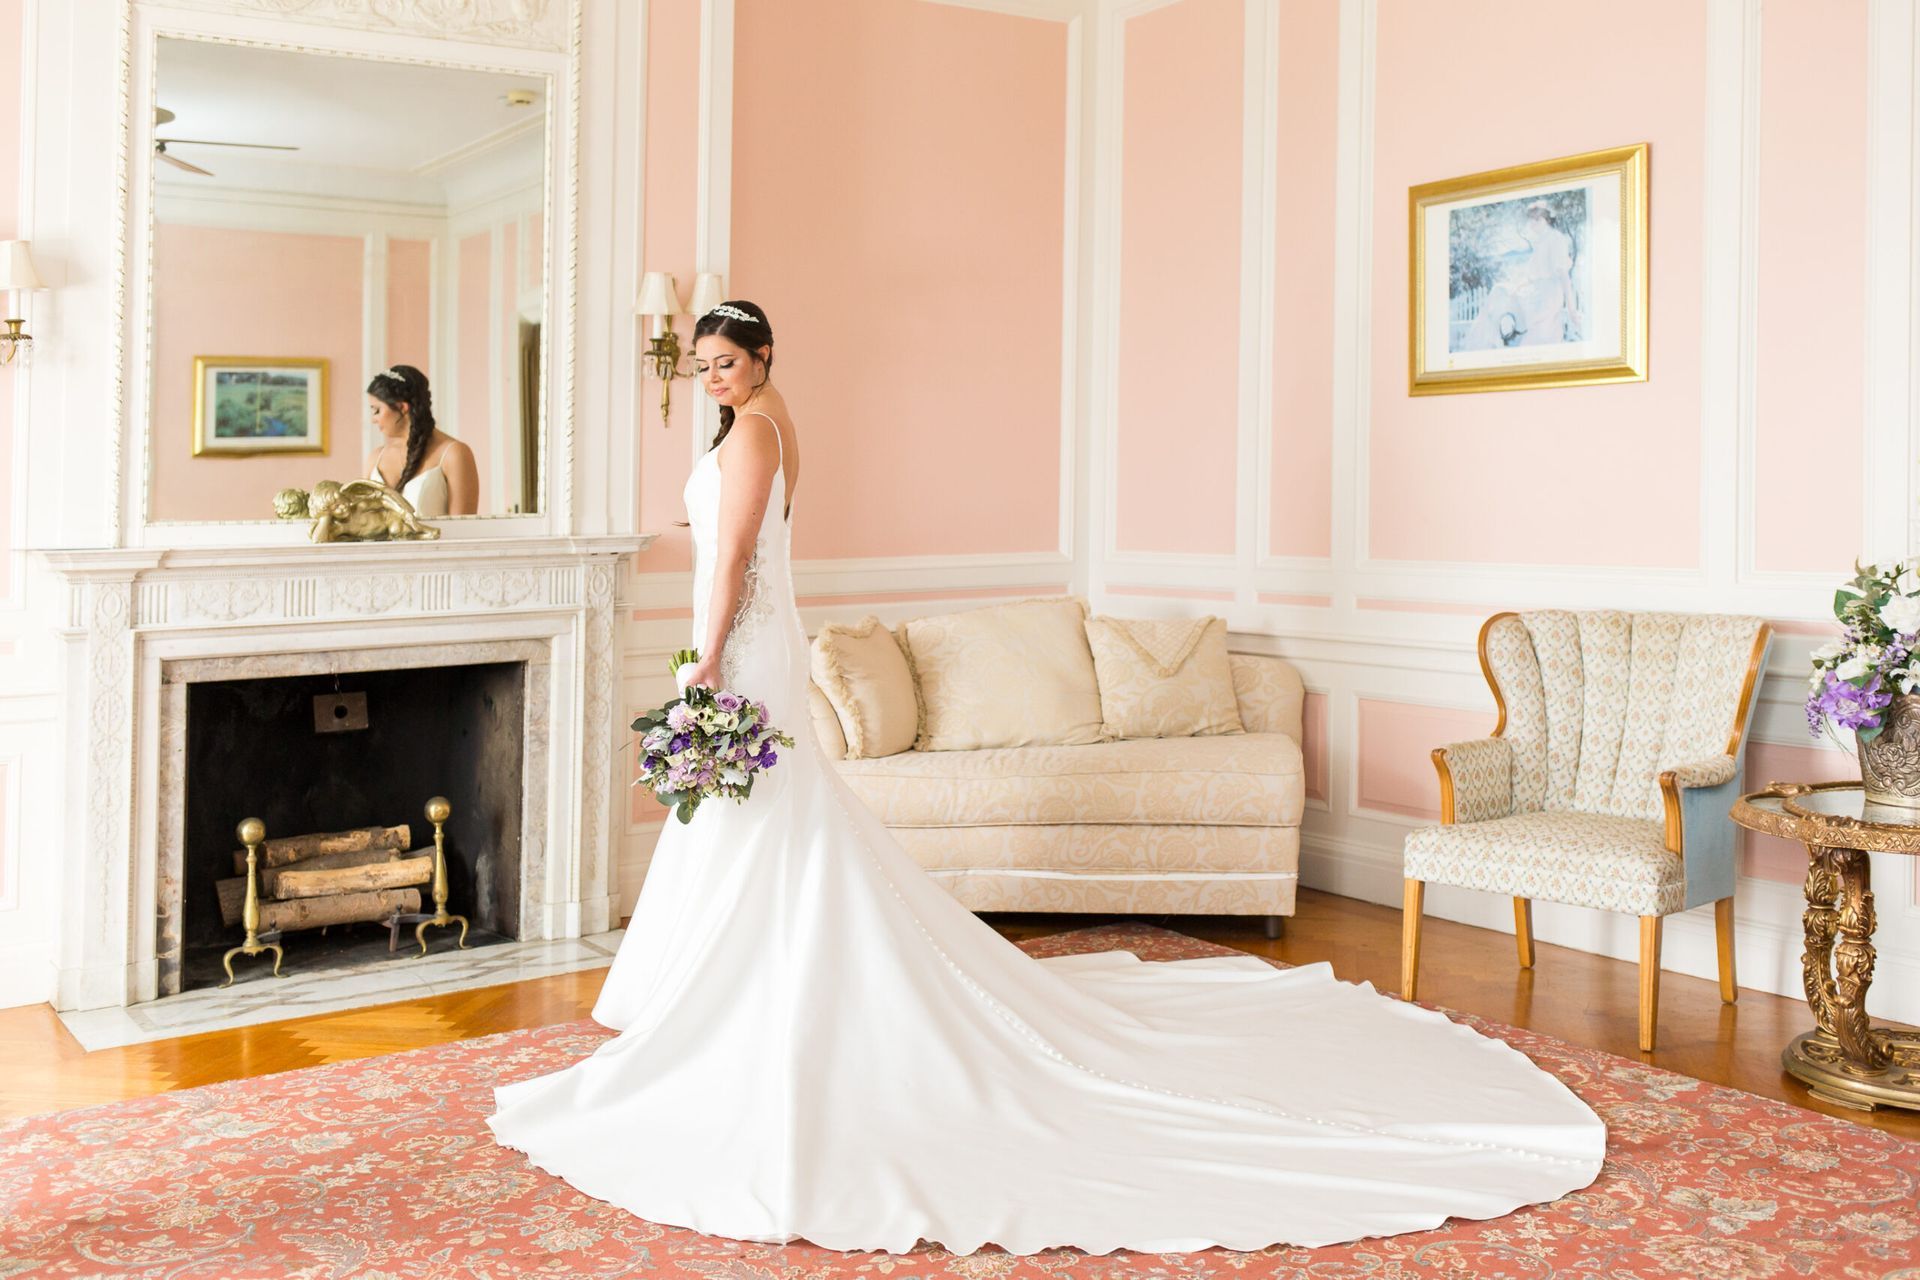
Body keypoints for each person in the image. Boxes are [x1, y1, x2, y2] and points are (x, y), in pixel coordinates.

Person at [484, 300, 1605, 1255]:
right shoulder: (772, 427)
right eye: (704, 364)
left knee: (761, 813)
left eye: (728, 360)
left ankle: (732, 993)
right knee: (766, 814)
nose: (714, 375)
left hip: (746, 642)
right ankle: (707, 985)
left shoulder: (750, 438)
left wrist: (709, 660)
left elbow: (729, 561)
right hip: (763, 639)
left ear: (763, 361)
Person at [363, 364, 477, 517]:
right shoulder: (375, 458)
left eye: (377, 410)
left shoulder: (454, 454)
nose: (373, 420)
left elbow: (465, 529)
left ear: (402, 407)